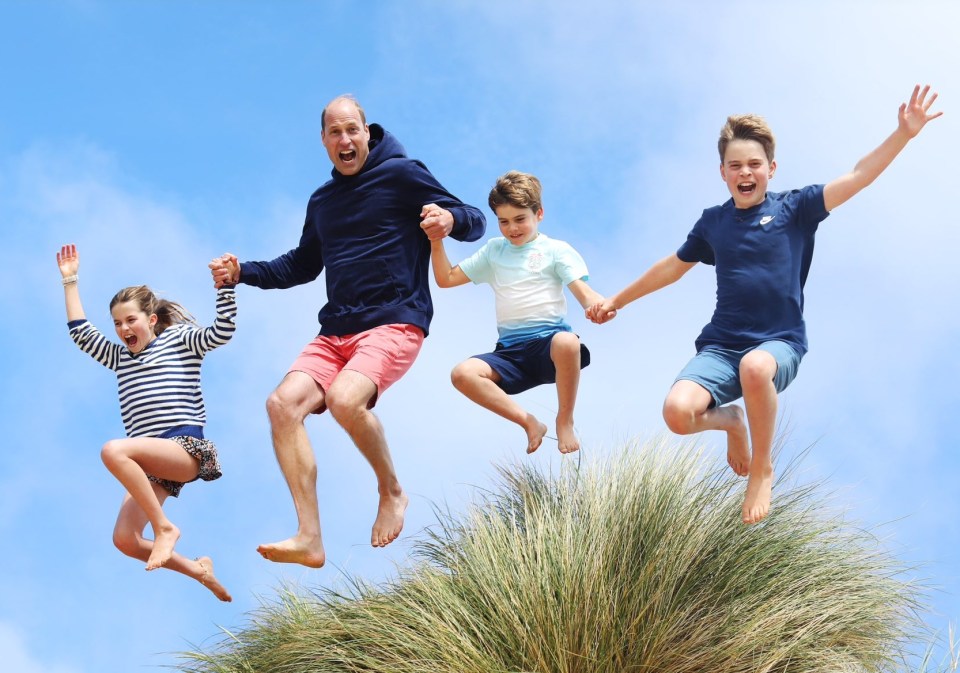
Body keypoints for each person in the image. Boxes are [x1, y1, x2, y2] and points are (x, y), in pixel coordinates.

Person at [588, 84, 942, 525]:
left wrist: (903, 135)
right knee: (677, 414)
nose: (745, 172)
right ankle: (733, 422)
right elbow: (672, 267)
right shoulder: (713, 222)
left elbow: (858, 175)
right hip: (720, 347)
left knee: (756, 367)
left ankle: (762, 468)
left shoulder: (796, 208)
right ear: (722, 172)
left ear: (771, 168)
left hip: (779, 343)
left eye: (754, 164)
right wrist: (617, 300)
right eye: (735, 165)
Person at [209, 94, 485, 568]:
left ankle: (391, 491)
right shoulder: (323, 201)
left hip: (395, 319)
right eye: (334, 132)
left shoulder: (402, 174)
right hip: (336, 331)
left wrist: (448, 218)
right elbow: (300, 265)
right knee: (281, 406)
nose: (345, 139)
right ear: (323, 141)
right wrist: (242, 273)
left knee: (343, 399)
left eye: (351, 129)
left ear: (366, 131)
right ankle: (310, 537)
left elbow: (475, 221)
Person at [57, 243, 236, 601]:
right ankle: (199, 571)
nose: (124, 328)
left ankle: (165, 528)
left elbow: (221, 333)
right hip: (151, 464)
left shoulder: (178, 341)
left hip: (184, 448)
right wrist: (70, 281)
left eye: (131, 320)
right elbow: (80, 332)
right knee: (125, 540)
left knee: (113, 451)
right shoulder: (120, 357)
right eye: (118, 323)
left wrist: (226, 288)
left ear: (151, 320)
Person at [429, 170, 605, 455]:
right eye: (503, 221)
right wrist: (436, 241)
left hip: (549, 348)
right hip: (511, 354)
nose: (512, 228)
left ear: (539, 214)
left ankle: (564, 419)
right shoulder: (494, 252)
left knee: (567, 341)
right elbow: (446, 279)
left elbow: (583, 292)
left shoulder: (556, 250)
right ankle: (529, 423)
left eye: (520, 219)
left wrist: (595, 306)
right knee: (462, 374)